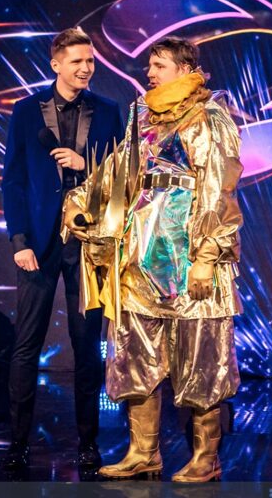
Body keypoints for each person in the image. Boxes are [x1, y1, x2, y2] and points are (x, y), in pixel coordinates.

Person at [64, 36, 243, 482]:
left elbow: (219, 191)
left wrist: (207, 256)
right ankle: (144, 452)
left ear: (186, 69)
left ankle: (206, 457)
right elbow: (116, 171)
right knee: (135, 356)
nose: (150, 72)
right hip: (141, 256)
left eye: (159, 64)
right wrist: (81, 200)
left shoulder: (209, 117)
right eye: (150, 65)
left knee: (202, 359)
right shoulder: (142, 116)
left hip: (189, 259)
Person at [2, 28, 124, 469]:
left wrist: (85, 163)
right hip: (38, 242)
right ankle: (18, 443)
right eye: (77, 61)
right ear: (56, 64)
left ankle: (88, 443)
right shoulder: (26, 110)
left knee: (86, 346)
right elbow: (13, 180)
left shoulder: (109, 111)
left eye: (90, 61)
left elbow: (122, 177)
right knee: (26, 344)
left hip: (87, 244)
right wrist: (19, 240)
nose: (86, 68)